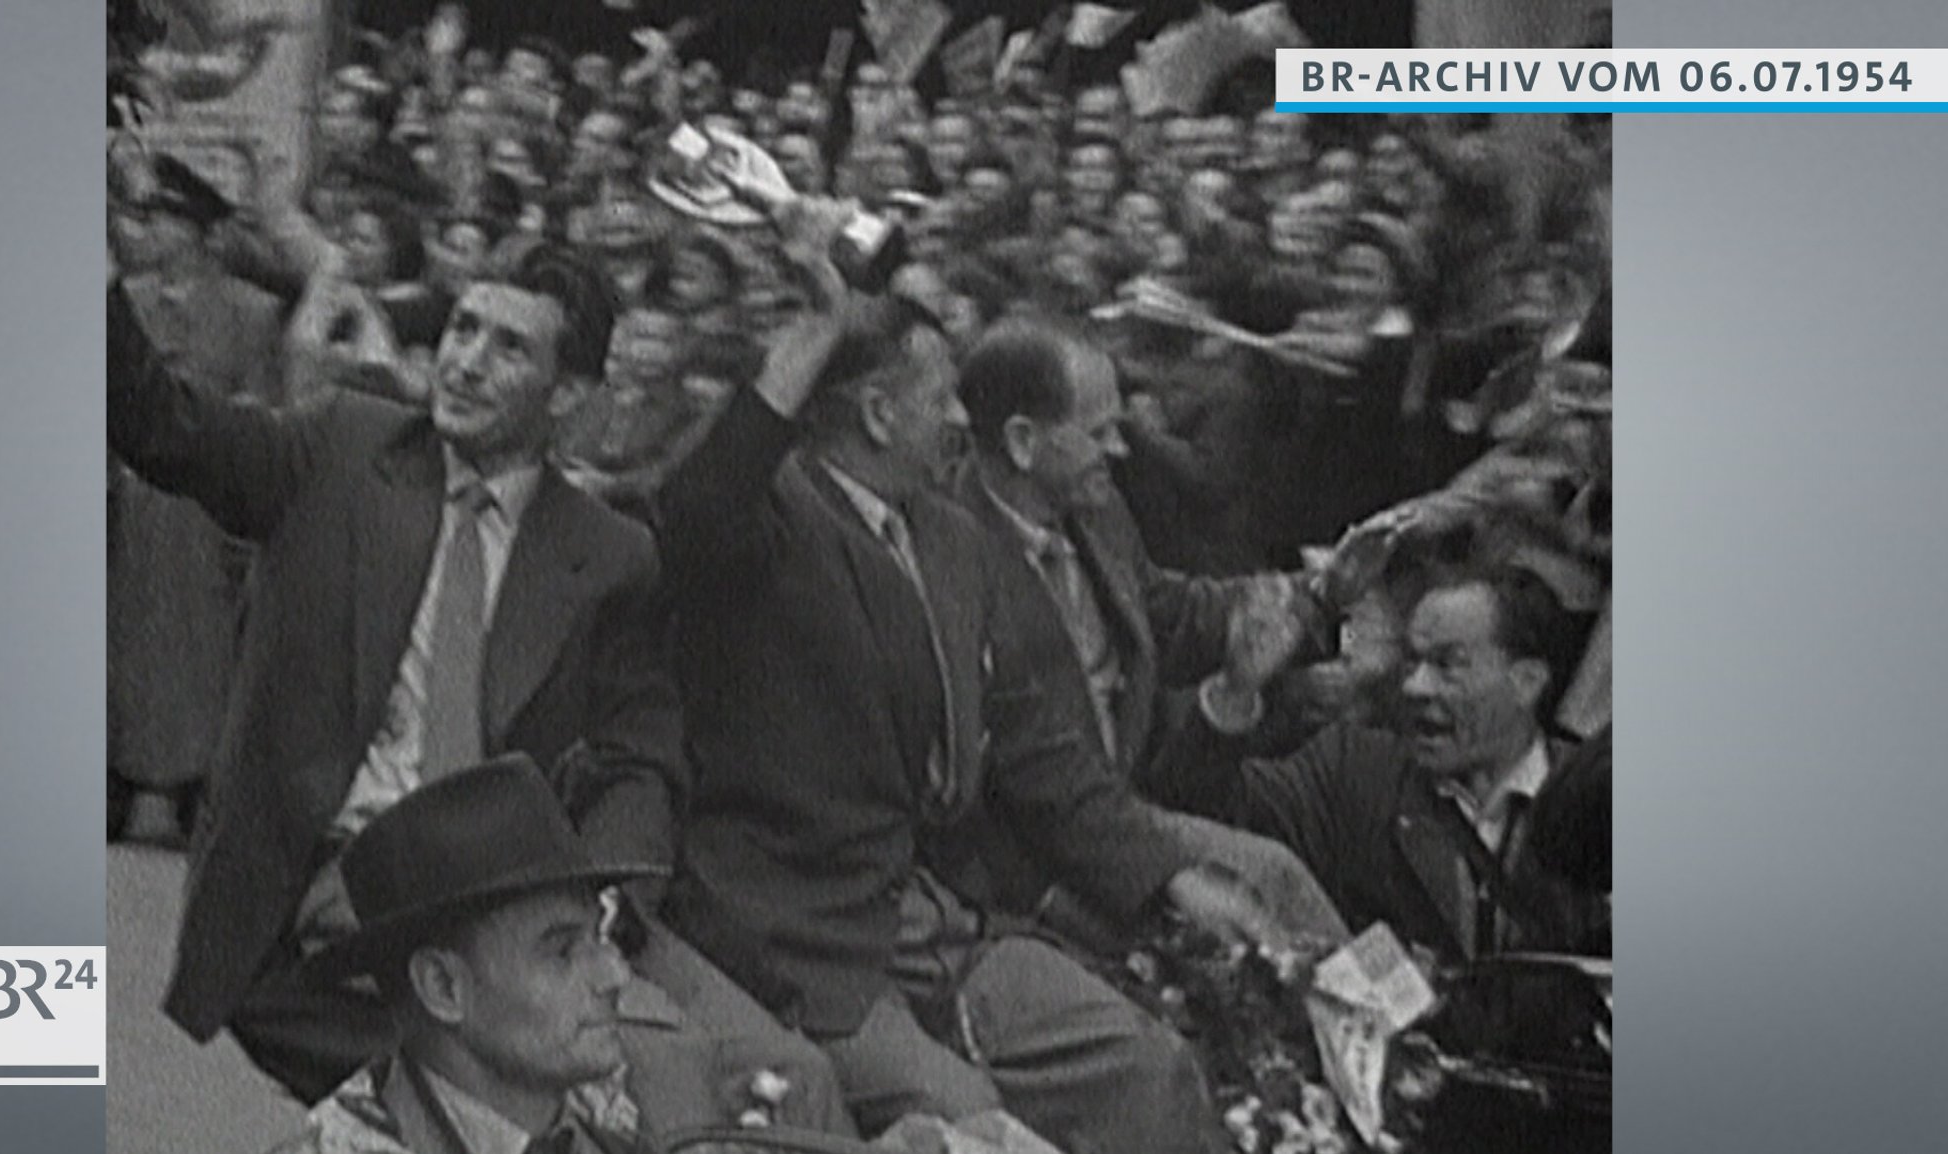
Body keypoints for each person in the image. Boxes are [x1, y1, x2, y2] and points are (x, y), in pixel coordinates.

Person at [108, 239, 850, 1135]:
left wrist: (603, 906)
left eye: (509, 348)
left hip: (527, 906)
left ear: (568, 395)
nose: (464, 362)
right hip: (340, 896)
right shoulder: (340, 452)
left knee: (781, 1080)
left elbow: (638, 760)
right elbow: (160, 424)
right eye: (464, 328)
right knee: (596, 1096)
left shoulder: (607, 554)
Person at [656, 200, 1279, 1154]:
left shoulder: (951, 537)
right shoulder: (771, 519)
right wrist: (819, 322)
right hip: (802, 933)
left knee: (1145, 1067)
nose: (960, 419)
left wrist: (1171, 880)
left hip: (945, 915)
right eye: (944, 398)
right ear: (877, 412)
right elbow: (697, 509)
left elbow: (1038, 751)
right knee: (969, 1120)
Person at [949, 320, 1351, 953]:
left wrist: (1313, 595)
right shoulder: (953, 559)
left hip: (1132, 797)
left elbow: (1167, 609)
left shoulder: (1096, 508)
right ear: (1023, 442)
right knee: (1264, 887)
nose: (1121, 449)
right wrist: (1163, 875)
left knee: (1291, 862)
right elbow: (1032, 790)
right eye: (1099, 431)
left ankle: (1387, 1039)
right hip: (1040, 860)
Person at [1169, 565, 1611, 964]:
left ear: (1527, 682)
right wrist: (1235, 692)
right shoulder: (1352, 769)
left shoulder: (1602, 799)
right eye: (1412, 661)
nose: (1416, 686)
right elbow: (1202, 814)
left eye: (1447, 665)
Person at [268, 757, 657, 1154]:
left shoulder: (650, 1121)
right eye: (562, 952)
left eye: (601, 935)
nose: (615, 974)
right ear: (443, 986)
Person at [107, 152, 282, 840]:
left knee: (168, 517)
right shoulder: (122, 303)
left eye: (161, 217)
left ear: (205, 232)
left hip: (204, 503)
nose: (141, 226)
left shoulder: (253, 314)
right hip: (119, 488)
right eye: (138, 213)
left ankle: (164, 775)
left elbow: (261, 424)